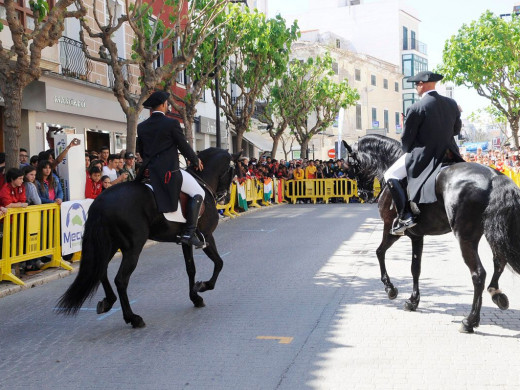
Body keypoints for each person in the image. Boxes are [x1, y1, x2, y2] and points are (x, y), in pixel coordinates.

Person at [383, 71, 464, 235]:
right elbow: (456, 130)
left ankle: (405, 216)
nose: (415, 88)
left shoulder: (416, 107)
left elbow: (406, 139)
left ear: (422, 84)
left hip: (425, 155)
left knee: (390, 174)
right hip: (449, 153)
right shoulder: (452, 104)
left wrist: (407, 150)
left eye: (416, 85)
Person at [137, 90, 205, 248]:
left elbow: (141, 150)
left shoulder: (142, 126)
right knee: (198, 192)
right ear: (162, 105)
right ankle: (189, 231)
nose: (167, 105)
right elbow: (183, 145)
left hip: (149, 171)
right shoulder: (171, 123)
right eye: (166, 103)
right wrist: (195, 160)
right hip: (169, 172)